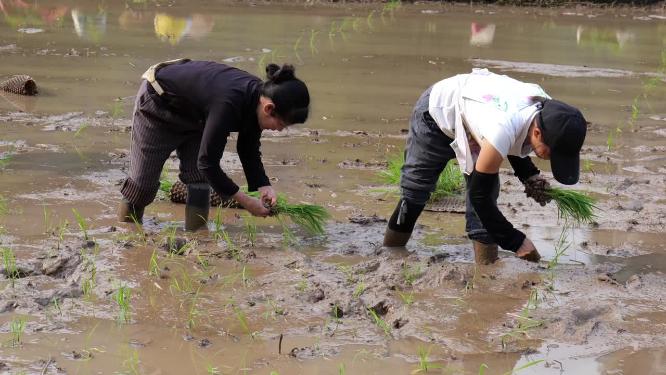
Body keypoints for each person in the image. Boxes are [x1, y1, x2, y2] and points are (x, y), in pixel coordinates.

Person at [382, 68, 587, 264]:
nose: (551, 160)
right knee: (415, 191)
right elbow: (479, 197)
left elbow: (516, 136)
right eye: (552, 153)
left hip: (480, 116)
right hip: (438, 112)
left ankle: (486, 269)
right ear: (537, 133)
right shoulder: (502, 127)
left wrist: (529, 176)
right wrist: (516, 241)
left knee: (488, 196)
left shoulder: (550, 113)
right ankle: (390, 256)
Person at [118, 60, 310, 230]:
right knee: (142, 186)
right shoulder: (229, 102)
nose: (280, 130)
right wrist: (245, 202)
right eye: (282, 125)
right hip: (158, 105)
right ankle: (127, 231)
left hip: (196, 115)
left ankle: (197, 232)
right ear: (269, 108)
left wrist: (263, 185)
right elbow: (208, 163)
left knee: (199, 179)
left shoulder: (257, 99)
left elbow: (248, 147)